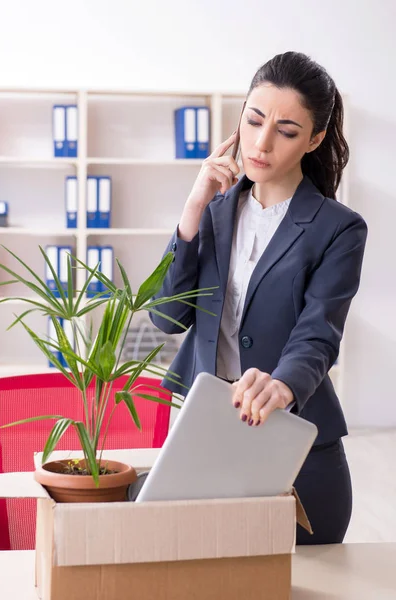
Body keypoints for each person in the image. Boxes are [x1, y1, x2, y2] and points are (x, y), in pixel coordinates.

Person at [150, 51, 368, 545]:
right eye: (253, 120)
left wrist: (283, 385)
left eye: (287, 131)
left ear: (314, 140)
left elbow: (319, 332)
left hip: (291, 435)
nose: (261, 143)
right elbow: (166, 316)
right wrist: (193, 205)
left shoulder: (339, 228)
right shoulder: (215, 210)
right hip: (202, 431)